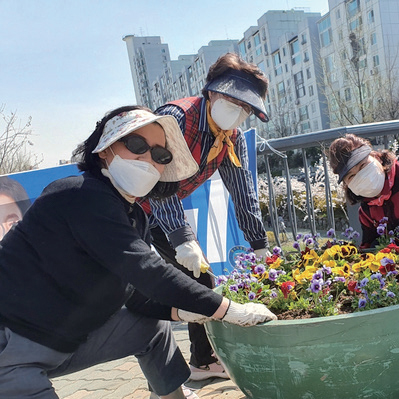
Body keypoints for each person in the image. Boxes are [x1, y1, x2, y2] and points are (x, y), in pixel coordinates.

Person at [0, 105, 277, 399]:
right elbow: (147, 270)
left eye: (160, 156)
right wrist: (226, 309)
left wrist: (177, 310)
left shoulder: (132, 214)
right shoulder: (77, 194)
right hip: (12, 350)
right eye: (137, 145)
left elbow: (133, 291)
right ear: (105, 150)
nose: (148, 159)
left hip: (64, 340)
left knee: (152, 328)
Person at [138, 53, 271, 380]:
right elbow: (158, 182)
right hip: (126, 206)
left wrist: (259, 245)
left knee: (198, 281)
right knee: (140, 297)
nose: (237, 112)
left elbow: (243, 191)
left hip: (157, 213)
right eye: (231, 100)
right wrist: (182, 239)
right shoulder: (176, 120)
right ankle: (164, 382)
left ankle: (202, 360)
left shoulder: (229, 138)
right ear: (211, 91)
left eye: (245, 108)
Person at [328, 133, 399, 247]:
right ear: (347, 185)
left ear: (375, 157)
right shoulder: (366, 212)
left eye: (363, 166)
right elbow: (369, 248)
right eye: (351, 176)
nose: (362, 176)